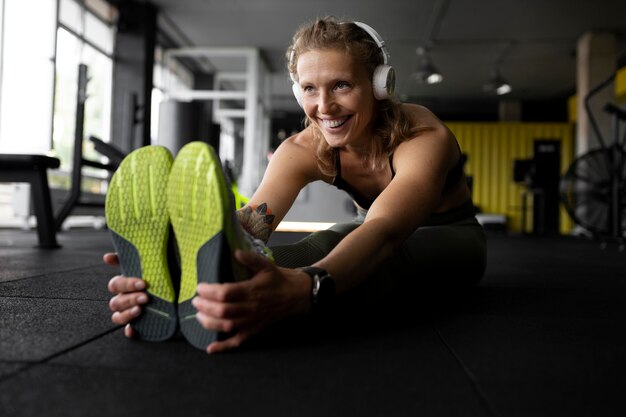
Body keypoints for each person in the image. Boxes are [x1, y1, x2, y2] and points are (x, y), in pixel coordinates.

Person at [105, 16, 487, 354]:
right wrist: (187, 254)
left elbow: (385, 232)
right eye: (309, 89)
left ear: (378, 84)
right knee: (318, 243)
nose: (324, 106)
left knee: (375, 254)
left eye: (341, 85)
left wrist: (306, 289)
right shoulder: (303, 148)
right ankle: (208, 286)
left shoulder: (423, 136)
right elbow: (254, 227)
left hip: (452, 239)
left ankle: (269, 303)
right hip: (372, 230)